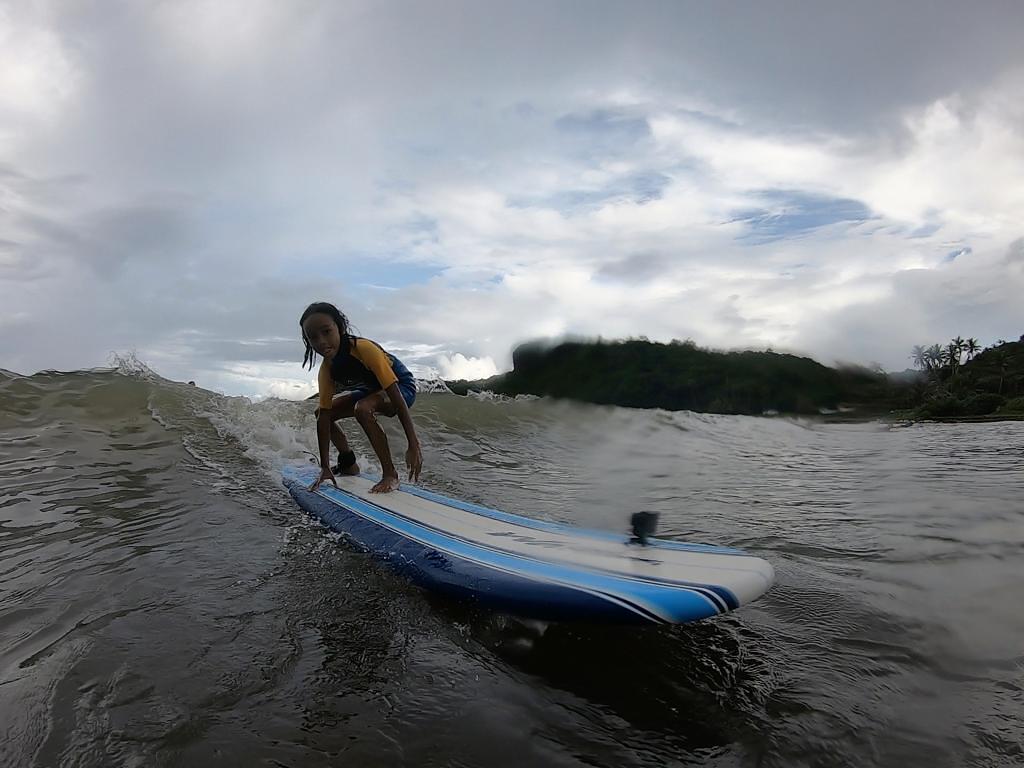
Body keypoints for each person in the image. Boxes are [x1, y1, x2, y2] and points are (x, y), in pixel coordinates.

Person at [299, 301, 422, 493]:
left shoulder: (364, 349)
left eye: (326, 332)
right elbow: (324, 416)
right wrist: (324, 466)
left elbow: (395, 395)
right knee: (322, 413)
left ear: (339, 328)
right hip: (371, 392)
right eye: (313, 337)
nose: (321, 341)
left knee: (362, 409)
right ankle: (348, 463)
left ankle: (390, 474)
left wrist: (413, 444)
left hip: (402, 388)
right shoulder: (327, 370)